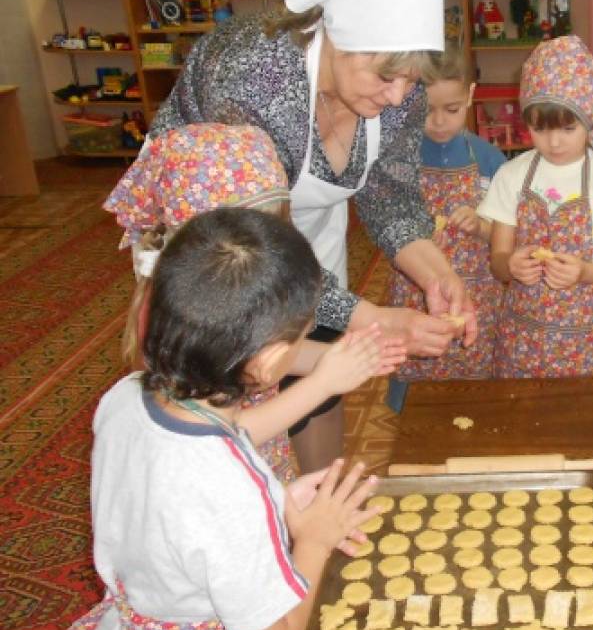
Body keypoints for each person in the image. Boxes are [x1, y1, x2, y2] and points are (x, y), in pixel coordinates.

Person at [149, 0, 475, 473]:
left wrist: (438, 273)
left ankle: (319, 494)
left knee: (319, 371)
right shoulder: (254, 76)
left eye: (412, 81)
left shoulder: (400, 90)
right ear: (339, 40)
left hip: (309, 231)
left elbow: (389, 194)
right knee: (236, 380)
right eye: (386, 78)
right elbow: (253, 250)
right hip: (216, 249)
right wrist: (373, 320)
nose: (399, 97)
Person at [68, 207, 382, 630]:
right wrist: (313, 541)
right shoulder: (227, 492)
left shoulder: (129, 397)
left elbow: (193, 481)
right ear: (270, 361)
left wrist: (275, 498)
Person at [103, 124, 404, 482]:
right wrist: (322, 383)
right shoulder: (171, 330)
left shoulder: (202, 301)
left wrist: (337, 359)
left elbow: (255, 357)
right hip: (227, 488)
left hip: (257, 470)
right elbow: (224, 438)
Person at [478, 35, 593, 377]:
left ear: (589, 120)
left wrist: (585, 272)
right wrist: (511, 265)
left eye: (568, 128)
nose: (554, 142)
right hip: (524, 339)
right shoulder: (511, 176)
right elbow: (498, 262)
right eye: (539, 129)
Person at [386, 50, 507, 411]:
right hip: (414, 290)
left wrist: (482, 227)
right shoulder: (399, 158)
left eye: (452, 110)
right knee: (417, 389)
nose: (438, 122)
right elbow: (386, 226)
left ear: (470, 94)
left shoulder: (490, 161)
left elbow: (507, 236)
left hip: (476, 293)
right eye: (426, 111)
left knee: (475, 392)